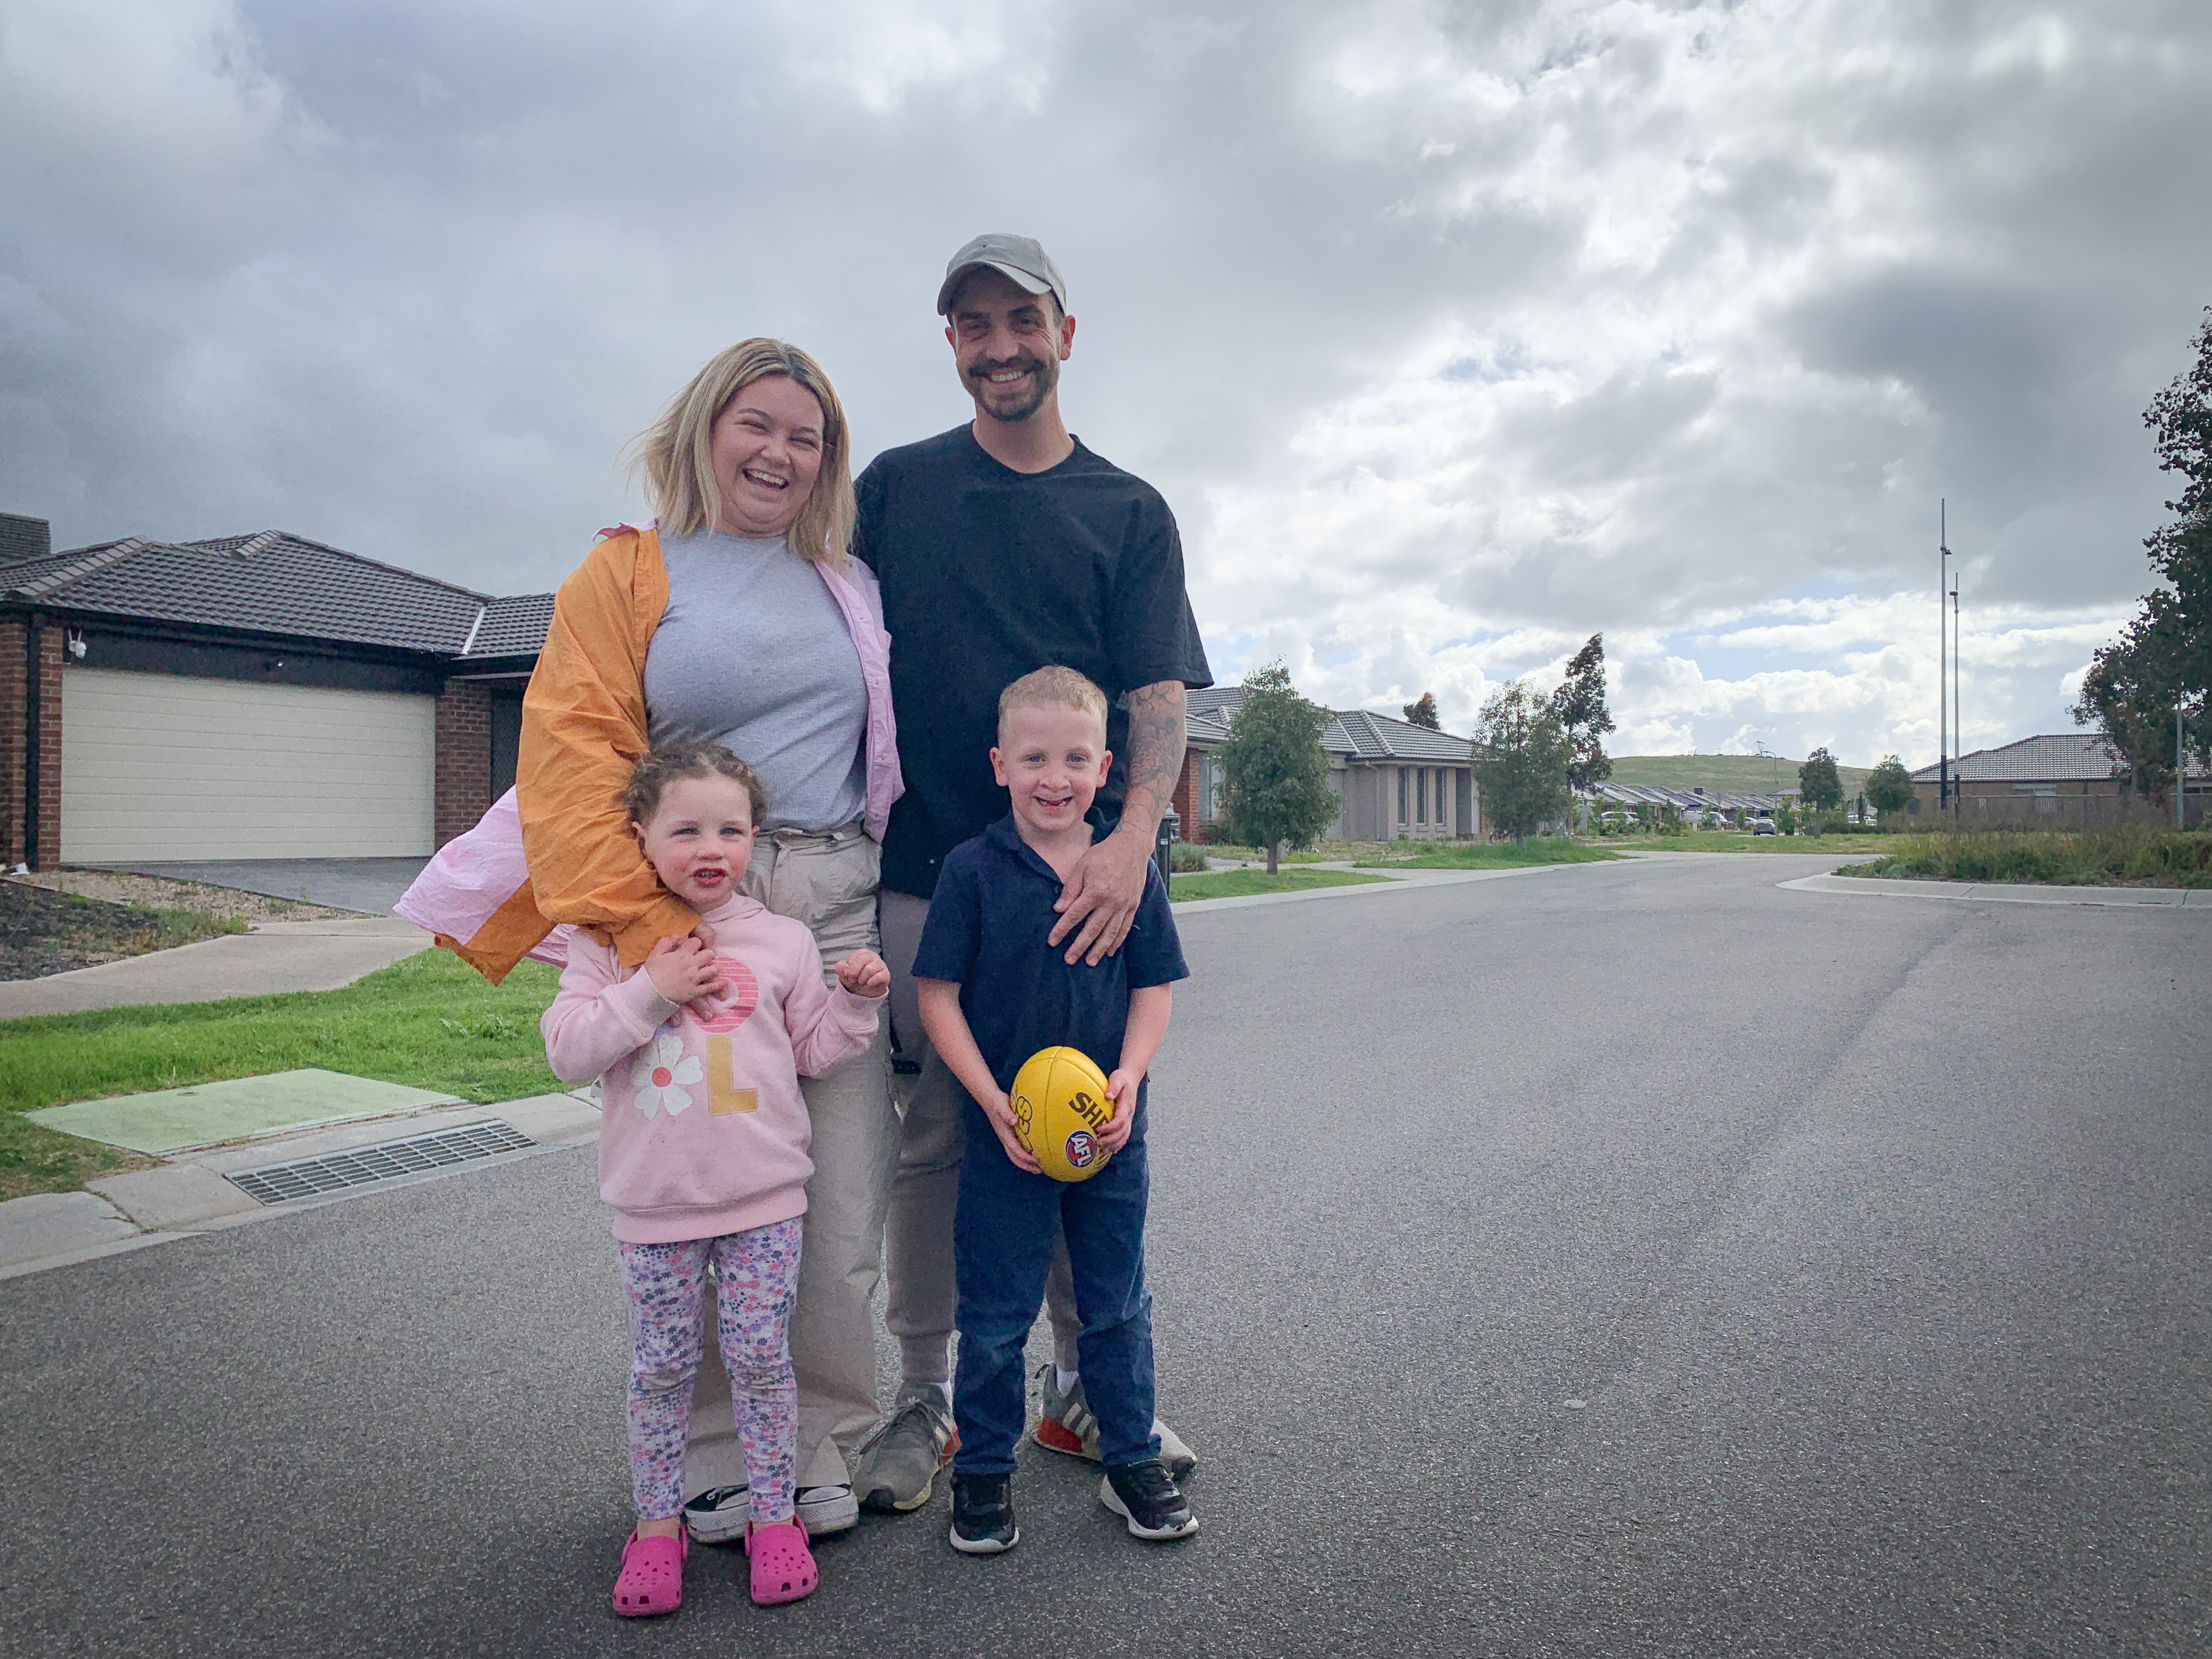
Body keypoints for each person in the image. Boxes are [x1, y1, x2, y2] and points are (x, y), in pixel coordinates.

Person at [398, 338, 905, 1541]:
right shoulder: (626, 575)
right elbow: (574, 758)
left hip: (829, 896)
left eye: (807, 435)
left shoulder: (848, 581)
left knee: (831, 1209)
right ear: (702, 431)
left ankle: (818, 1435)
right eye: (757, 424)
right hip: (684, 905)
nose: (779, 453)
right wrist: (664, 936)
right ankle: (718, 1457)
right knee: (707, 1190)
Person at [849, 234, 1212, 1511]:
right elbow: (799, 590)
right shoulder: (895, 488)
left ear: (1068, 331)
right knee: (942, 1139)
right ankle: (923, 1396)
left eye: (1023, 319)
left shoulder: (1129, 511)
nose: (1000, 345)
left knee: (1080, 1122)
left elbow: (1158, 694)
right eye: (974, 325)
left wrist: (1130, 843)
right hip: (925, 871)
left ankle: (1082, 1389)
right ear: (951, 343)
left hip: (1081, 883)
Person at [544, 741, 890, 1615]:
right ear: (640, 837)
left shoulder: (782, 940)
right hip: (654, 1206)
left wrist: (854, 1003)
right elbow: (566, 1051)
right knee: (661, 1369)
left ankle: (776, 1516)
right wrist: (651, 988)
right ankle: (656, 1527)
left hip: (764, 1201)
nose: (711, 847)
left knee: (761, 1361)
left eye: (731, 829)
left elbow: (814, 1052)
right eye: (686, 828)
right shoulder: (610, 941)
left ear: (755, 839)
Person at [911, 667, 1194, 1551]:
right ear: (1000, 765)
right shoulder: (972, 871)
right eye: (1034, 757)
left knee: (1115, 1305)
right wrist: (990, 1101)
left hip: (1112, 1138)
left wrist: (1133, 1076)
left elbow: (1153, 991)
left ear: (1107, 766)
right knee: (994, 1316)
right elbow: (936, 996)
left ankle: (1131, 1460)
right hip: (1009, 1143)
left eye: (1076, 758)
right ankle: (985, 1473)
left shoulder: (1128, 869)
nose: (1054, 776)